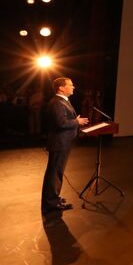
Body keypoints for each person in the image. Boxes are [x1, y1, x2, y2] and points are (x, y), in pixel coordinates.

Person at [41, 77, 89, 215]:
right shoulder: (57, 103)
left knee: (56, 172)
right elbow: (61, 123)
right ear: (61, 88)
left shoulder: (62, 101)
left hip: (62, 142)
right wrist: (76, 122)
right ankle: (51, 203)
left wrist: (74, 121)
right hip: (59, 143)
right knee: (55, 173)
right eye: (70, 85)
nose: (73, 87)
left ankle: (52, 199)